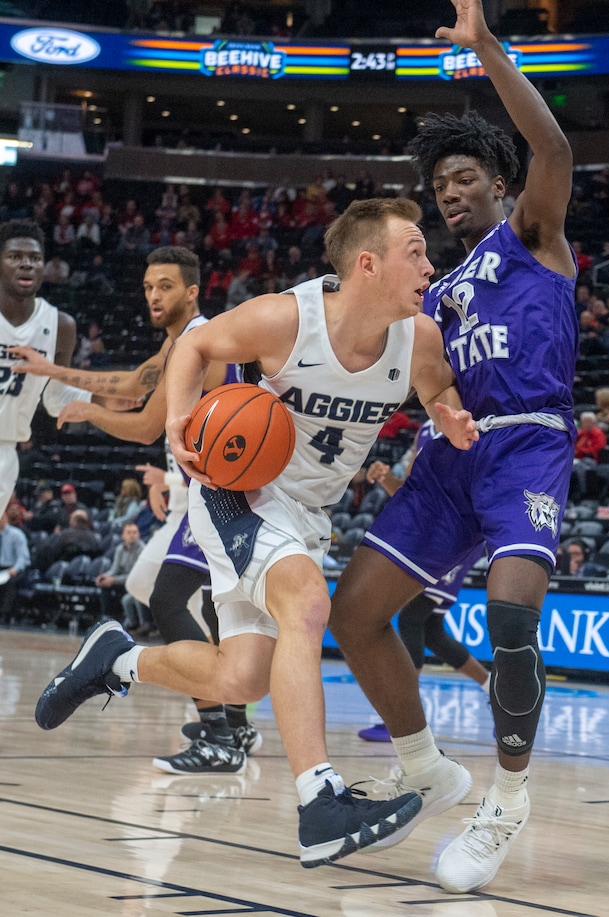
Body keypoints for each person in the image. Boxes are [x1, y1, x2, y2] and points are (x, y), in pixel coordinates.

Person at [34, 196, 480, 868]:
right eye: (414, 251)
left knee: (243, 677)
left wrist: (446, 415)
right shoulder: (285, 319)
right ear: (368, 264)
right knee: (307, 603)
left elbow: (437, 387)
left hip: (308, 513)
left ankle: (116, 659)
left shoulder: (417, 337)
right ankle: (320, 800)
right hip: (237, 491)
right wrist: (182, 417)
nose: (429, 264)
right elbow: (199, 343)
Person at [328, 0, 578, 894]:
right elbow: (410, 376)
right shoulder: (429, 291)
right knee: (354, 614)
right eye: (440, 188)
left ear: (502, 185)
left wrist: (484, 48)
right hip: (450, 456)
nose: (450, 193)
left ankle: (505, 803)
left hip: (526, 445)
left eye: (465, 177)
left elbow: (553, 148)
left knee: (511, 618)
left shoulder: (534, 238)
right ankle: (430, 766)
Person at [19, 245, 260, 772]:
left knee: (169, 598)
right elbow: (130, 385)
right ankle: (233, 727)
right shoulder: (182, 341)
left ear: (192, 290)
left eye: (165, 286)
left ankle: (219, 730)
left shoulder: (199, 340)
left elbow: (146, 422)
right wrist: (53, 370)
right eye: (149, 285)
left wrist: (89, 416)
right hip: (219, 486)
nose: (153, 295)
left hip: (226, 489)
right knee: (219, 607)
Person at [357, 421, 491, 743]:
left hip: (459, 531)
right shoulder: (427, 429)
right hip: (431, 532)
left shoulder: (477, 419)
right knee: (430, 629)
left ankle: (404, 721)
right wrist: (385, 478)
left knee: (412, 616)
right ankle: (494, 688)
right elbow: (412, 496)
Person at [0, 219, 95, 521]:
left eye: (34, 258)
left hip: (5, 450)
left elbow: (55, 400)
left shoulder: (60, 326)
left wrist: (101, 400)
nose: (26, 265)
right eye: (15, 257)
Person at [95, 521, 151, 631]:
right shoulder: (119, 549)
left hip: (137, 582)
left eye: (134, 532)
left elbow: (136, 576)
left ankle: (137, 623)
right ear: (123, 535)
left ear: (139, 535)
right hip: (124, 581)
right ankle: (107, 617)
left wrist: (114, 580)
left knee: (117, 587)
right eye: (129, 532)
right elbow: (114, 570)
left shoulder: (142, 550)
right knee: (104, 584)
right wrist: (104, 577)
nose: (132, 535)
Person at [0, 509, 30, 623]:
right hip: (1, 568)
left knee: (11, 583)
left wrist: (14, 569)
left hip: (15, 567)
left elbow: (23, 557)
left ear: (6, 518)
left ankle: (4, 614)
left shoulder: (16, 534)